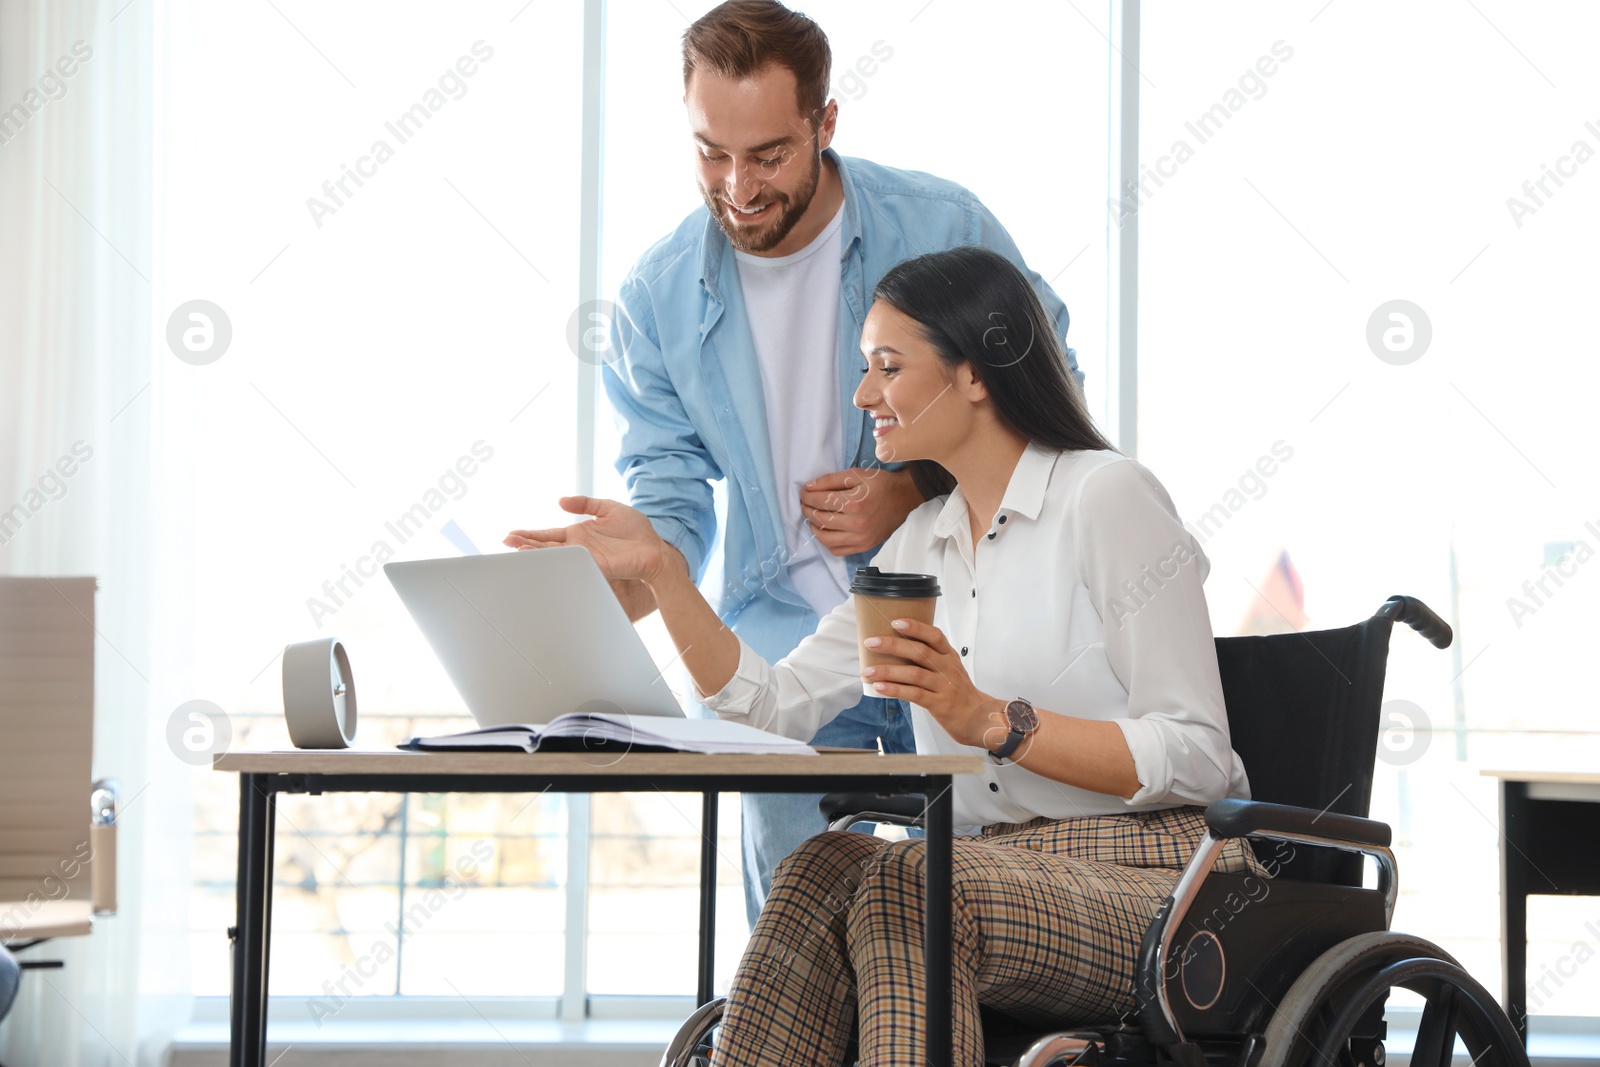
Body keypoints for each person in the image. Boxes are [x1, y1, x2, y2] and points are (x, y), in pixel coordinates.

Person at [507, 246, 1261, 1065]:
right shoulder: (918, 546)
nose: (864, 393)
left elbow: (1197, 753)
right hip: (986, 869)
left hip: (1165, 882)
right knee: (819, 866)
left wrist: (989, 720)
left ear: (974, 374)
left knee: (912, 885)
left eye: (888, 367)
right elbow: (774, 703)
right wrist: (663, 570)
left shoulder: (1103, 497)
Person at [529, 0, 1079, 924]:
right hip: (785, 643)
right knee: (800, 940)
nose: (738, 187)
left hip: (957, 616)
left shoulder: (940, 225)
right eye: (712, 152)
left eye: (769, 154)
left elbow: (1044, 387)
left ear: (826, 125)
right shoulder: (657, 294)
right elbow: (670, 494)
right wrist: (634, 568)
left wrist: (910, 489)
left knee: (984, 924)